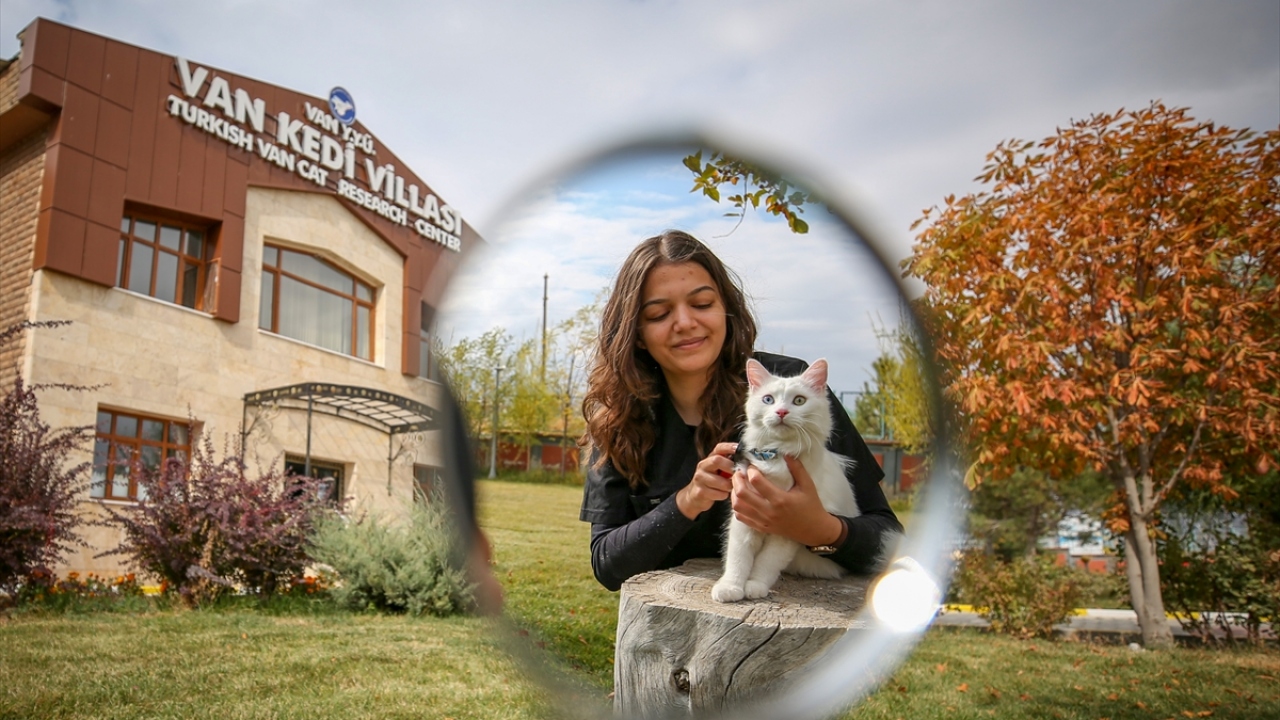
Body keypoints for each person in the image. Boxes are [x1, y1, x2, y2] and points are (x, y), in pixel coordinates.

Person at [579, 230, 903, 592]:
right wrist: (685, 502)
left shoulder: (794, 395)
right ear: (636, 332)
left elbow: (887, 537)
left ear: (726, 309)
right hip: (666, 635)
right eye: (658, 313)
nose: (685, 322)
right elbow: (607, 565)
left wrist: (821, 529)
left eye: (702, 304)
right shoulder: (617, 419)